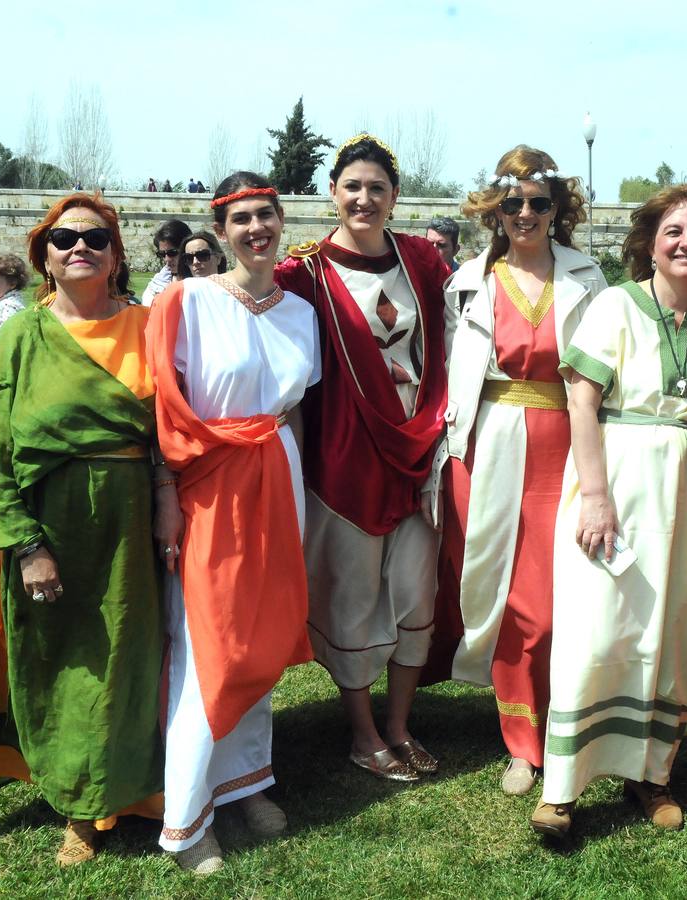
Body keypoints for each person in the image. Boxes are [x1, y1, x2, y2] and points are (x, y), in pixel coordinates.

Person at [0, 193, 172, 867]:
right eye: (63, 239)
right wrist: (26, 545)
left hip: (127, 526)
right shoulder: (20, 336)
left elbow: (173, 430)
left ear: (118, 256)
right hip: (48, 525)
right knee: (61, 663)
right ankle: (78, 805)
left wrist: (167, 499)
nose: (79, 248)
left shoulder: (152, 325)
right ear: (45, 256)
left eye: (95, 238)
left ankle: (126, 791)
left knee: (125, 661)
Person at [532, 185, 687, 839]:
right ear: (649, 241)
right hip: (616, 476)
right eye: (673, 230)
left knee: (675, 627)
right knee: (600, 625)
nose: (686, 243)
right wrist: (593, 494)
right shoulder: (613, 306)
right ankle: (562, 788)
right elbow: (582, 402)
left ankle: (651, 777)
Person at [147, 172, 319, 874]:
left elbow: (294, 411)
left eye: (267, 216)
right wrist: (165, 493)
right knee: (208, 646)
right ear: (220, 232)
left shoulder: (298, 311)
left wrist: (295, 489)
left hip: (277, 478)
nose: (257, 229)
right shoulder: (184, 302)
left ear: (281, 225)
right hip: (208, 481)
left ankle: (246, 782)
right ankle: (188, 821)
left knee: (258, 641)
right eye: (242, 219)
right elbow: (160, 402)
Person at [274, 133, 450, 782]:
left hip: (420, 449)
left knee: (416, 594)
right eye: (352, 186)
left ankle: (400, 725)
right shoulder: (304, 273)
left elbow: (468, 330)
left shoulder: (424, 263)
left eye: (377, 187)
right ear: (332, 194)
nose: (364, 197)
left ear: (395, 198)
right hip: (345, 461)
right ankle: (363, 731)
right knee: (352, 599)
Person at [435, 146, 605, 796]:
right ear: (494, 211)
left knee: (558, 601)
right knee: (507, 600)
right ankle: (519, 742)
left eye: (537, 202)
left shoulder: (589, 278)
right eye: (512, 203)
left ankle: (565, 723)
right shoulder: (467, 281)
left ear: (557, 209)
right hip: (491, 446)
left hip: (566, 443)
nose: (524, 214)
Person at [142, 219, 192, 305]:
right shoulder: (156, 285)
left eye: (172, 253)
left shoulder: (202, 280)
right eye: (162, 254)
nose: (167, 259)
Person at [0, 254, 29, 344]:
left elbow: (11, 335)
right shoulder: (1, 299)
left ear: (12, 284)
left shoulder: (9, 306)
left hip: (4, 351)